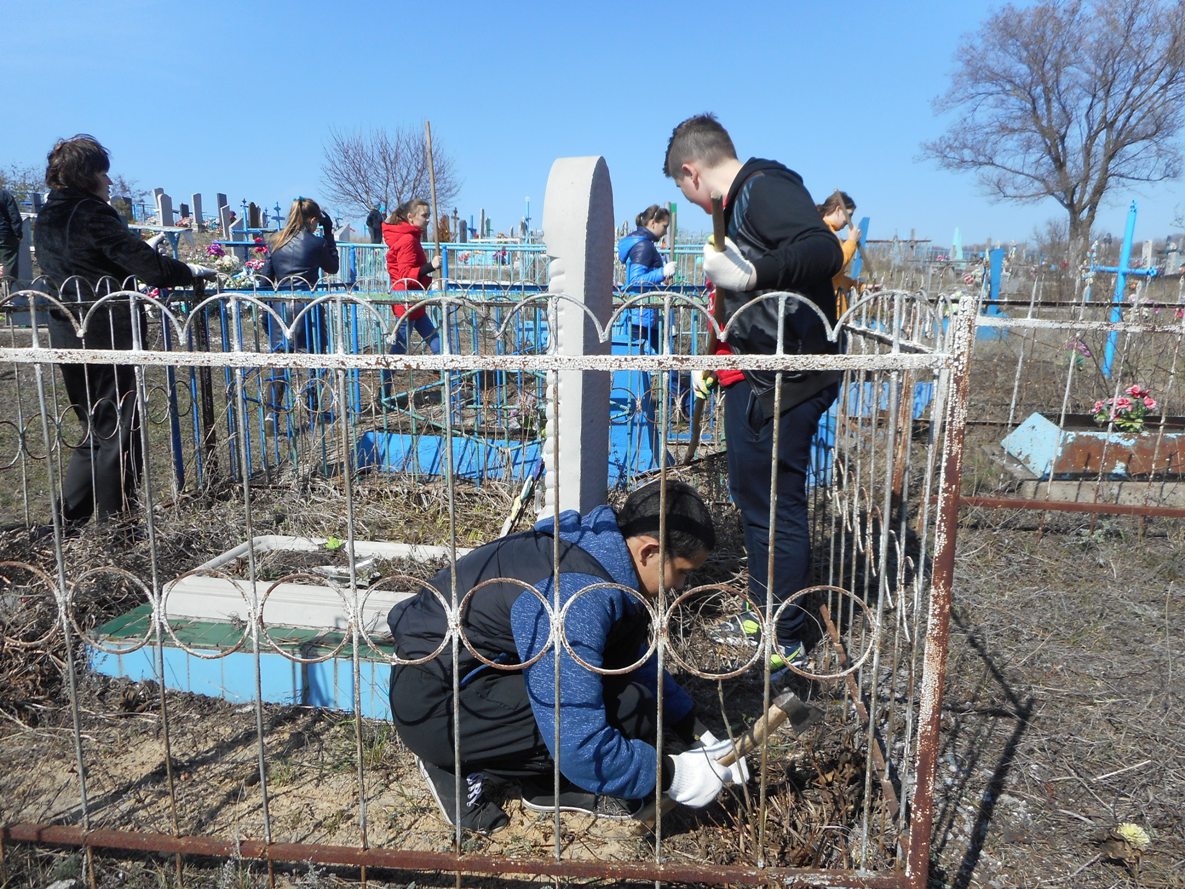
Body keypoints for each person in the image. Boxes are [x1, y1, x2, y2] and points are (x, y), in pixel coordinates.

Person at [387, 479, 748, 834]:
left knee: (631, 702)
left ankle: (546, 787)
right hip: (437, 706)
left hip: (475, 676)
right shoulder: (577, 596)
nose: (680, 586)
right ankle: (455, 763)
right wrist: (672, 775)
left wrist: (697, 732)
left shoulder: (602, 554)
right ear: (649, 552)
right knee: (629, 713)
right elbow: (580, 744)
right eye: (682, 572)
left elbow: (628, 657)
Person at [664, 113, 842, 670]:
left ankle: (783, 634)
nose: (693, 205)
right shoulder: (734, 205)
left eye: (683, 191)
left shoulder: (763, 188)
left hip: (787, 381)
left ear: (691, 173)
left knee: (774, 507)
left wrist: (752, 274)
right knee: (754, 500)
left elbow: (823, 250)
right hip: (759, 374)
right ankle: (764, 611)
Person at [32, 134, 216, 533]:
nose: (110, 183)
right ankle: (119, 528)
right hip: (105, 328)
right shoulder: (91, 212)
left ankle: (65, 525)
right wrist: (189, 271)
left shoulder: (49, 215)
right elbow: (149, 269)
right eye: (103, 173)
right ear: (88, 176)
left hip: (67, 327)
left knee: (95, 427)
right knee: (117, 428)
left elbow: (85, 261)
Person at [258, 197, 340, 416]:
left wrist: (264, 311)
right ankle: (312, 410)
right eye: (317, 222)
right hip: (307, 311)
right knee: (314, 360)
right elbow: (333, 267)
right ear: (313, 220)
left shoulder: (276, 241)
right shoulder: (316, 242)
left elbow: (266, 280)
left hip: (280, 310)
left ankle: (270, 414)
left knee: (280, 363)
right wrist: (329, 235)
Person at [381, 199, 442, 401]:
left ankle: (453, 384)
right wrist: (431, 266)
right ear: (410, 217)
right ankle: (383, 392)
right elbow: (406, 274)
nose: (427, 220)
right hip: (406, 303)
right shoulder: (407, 240)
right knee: (399, 349)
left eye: (428, 216)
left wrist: (429, 277)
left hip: (414, 302)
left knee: (437, 343)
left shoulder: (412, 238)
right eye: (424, 216)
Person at [617, 204, 677, 353]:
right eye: (664, 226)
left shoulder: (643, 243)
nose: (665, 231)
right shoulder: (644, 246)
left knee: (650, 360)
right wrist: (662, 272)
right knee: (660, 359)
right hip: (643, 314)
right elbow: (636, 281)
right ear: (652, 223)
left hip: (643, 313)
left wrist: (661, 278)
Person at [818, 191, 861, 317]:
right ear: (838, 210)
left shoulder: (828, 233)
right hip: (826, 310)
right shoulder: (823, 233)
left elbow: (835, 278)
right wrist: (852, 241)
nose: (849, 222)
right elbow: (835, 266)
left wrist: (857, 285)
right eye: (849, 215)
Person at [0, 185, 22, 288]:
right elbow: (14, 215)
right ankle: (7, 293)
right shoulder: (5, 195)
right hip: (5, 234)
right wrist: (18, 234)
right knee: (9, 263)